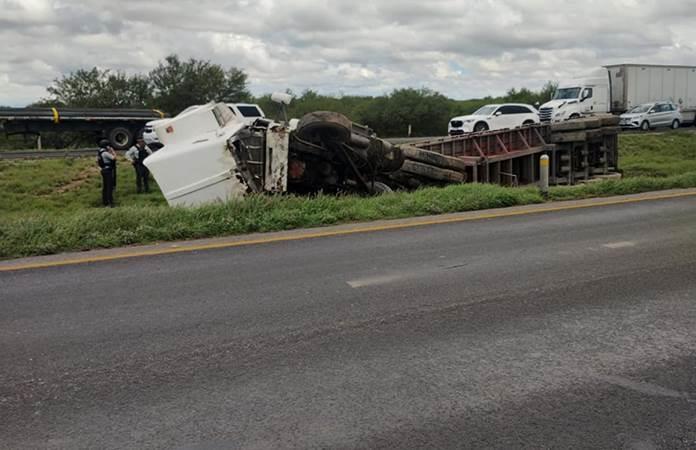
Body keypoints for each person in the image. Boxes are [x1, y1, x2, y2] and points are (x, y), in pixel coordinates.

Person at [97, 139, 117, 207]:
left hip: (103, 170)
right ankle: (110, 202)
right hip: (108, 170)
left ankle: (105, 201)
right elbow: (114, 158)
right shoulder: (105, 153)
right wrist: (112, 151)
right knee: (109, 187)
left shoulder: (99, 152)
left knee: (105, 186)